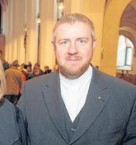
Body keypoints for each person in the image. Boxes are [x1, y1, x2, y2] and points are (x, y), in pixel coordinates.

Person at [18, 13, 136, 145]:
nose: (72, 50)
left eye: (81, 41)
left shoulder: (126, 95)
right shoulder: (32, 91)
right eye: (64, 42)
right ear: (54, 47)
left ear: (93, 44)